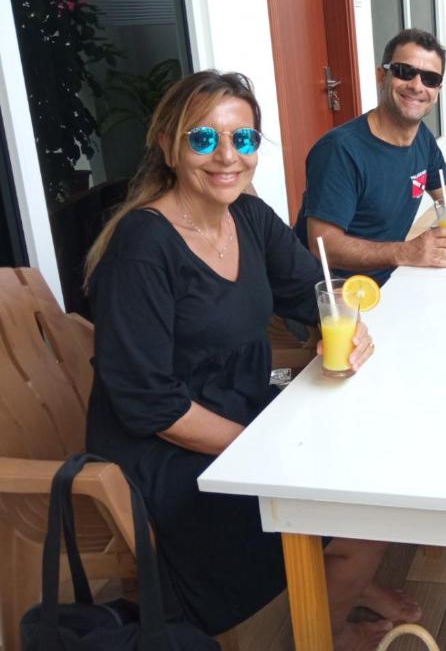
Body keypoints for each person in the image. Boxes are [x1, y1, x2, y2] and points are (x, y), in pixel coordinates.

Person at [84, 71, 420, 650]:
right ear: (168, 145)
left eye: (242, 140)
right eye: (203, 139)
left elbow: (308, 289)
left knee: (373, 467)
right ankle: (330, 623)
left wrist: (343, 321)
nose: (226, 158)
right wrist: (257, 447)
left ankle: (342, 590)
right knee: (341, 494)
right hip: (164, 447)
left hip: (243, 401)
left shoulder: (248, 216)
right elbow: (149, 403)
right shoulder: (142, 247)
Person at [295, 28, 446, 285]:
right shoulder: (339, 150)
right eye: (405, 72)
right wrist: (408, 252)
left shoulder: (421, 139)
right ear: (382, 76)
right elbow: (323, 246)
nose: (417, 85)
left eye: (429, 78)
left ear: (437, 91)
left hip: (392, 280)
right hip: (331, 302)